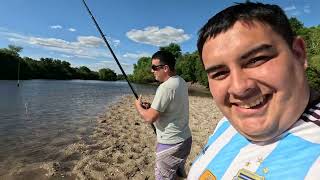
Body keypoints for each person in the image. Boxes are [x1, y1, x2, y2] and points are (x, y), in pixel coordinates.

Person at [188, 2, 320, 180]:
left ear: (298, 54)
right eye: (219, 73)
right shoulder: (226, 124)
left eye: (256, 60)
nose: (239, 88)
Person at [134, 50, 192, 180]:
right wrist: (151, 107)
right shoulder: (180, 81)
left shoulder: (165, 87)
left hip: (171, 144)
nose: (152, 70)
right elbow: (171, 106)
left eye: (154, 67)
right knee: (177, 175)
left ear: (165, 68)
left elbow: (149, 118)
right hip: (185, 140)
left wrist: (138, 106)